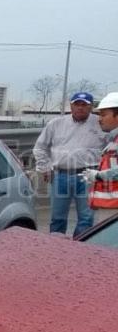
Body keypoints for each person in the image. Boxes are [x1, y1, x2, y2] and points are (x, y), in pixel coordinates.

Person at [33, 92, 107, 236]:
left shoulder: (100, 123)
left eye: (84, 105)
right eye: (77, 104)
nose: (80, 108)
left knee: (86, 218)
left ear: (91, 107)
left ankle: (79, 249)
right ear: (71, 106)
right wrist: (44, 167)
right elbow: (40, 147)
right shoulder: (56, 124)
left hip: (89, 176)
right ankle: (55, 249)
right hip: (61, 175)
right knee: (57, 218)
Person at [83, 91, 118, 209]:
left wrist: (98, 176)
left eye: (103, 115)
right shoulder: (114, 140)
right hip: (110, 207)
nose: (99, 119)